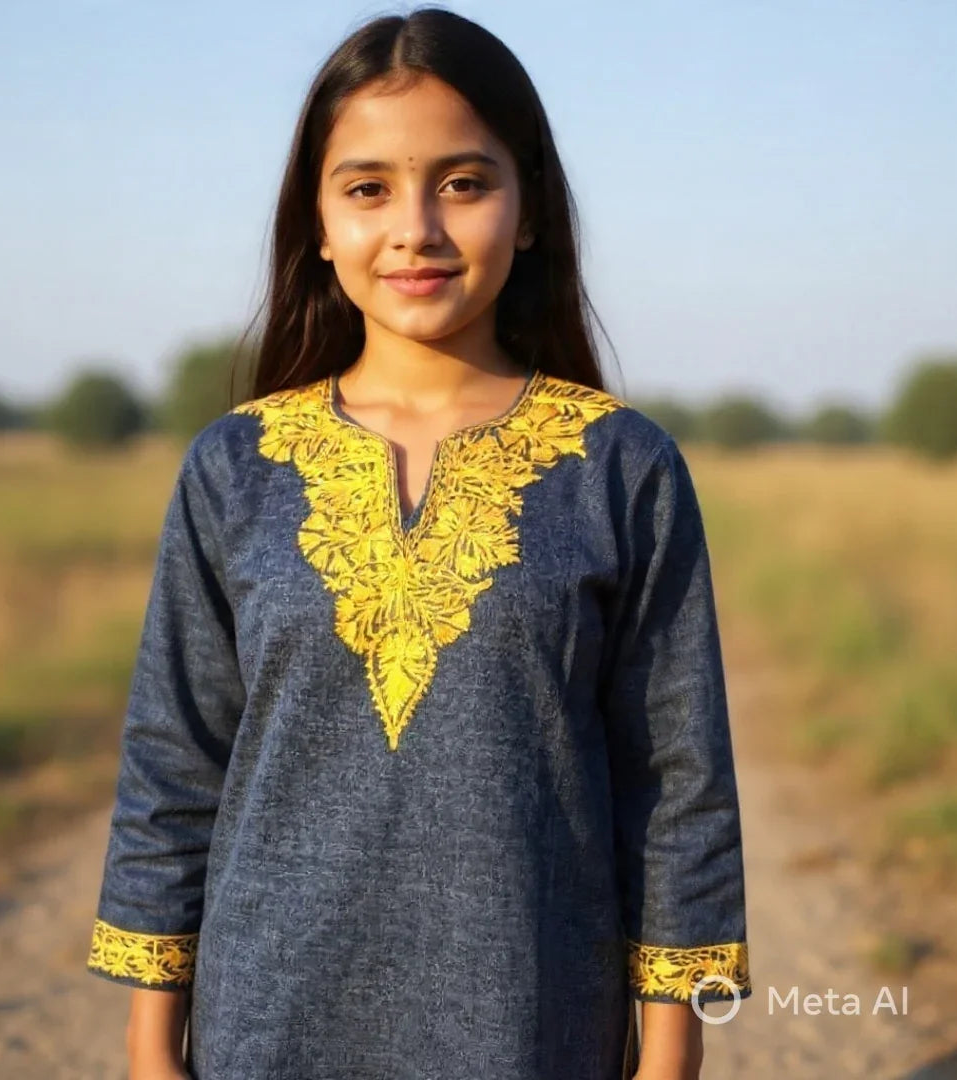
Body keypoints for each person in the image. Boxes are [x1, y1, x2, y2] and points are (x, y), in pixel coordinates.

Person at [85, 8, 752, 1079]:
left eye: (464, 182)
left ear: (528, 209)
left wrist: (668, 1060)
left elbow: (677, 790)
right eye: (367, 189)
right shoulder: (235, 466)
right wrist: (152, 1047)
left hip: (532, 1026)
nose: (416, 230)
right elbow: (174, 765)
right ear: (316, 219)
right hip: (270, 1026)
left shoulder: (622, 467)